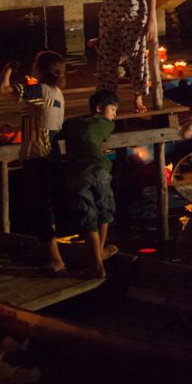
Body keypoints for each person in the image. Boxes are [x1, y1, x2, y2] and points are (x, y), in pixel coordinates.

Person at [0, 52, 66, 274]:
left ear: (42, 69)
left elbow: (3, 91)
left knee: (38, 208)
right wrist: (17, 129)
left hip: (37, 156)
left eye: (35, 64)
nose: (33, 67)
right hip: (50, 153)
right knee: (44, 206)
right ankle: (51, 254)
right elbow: (44, 120)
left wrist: (8, 69)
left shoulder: (39, 90)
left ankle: (56, 260)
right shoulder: (57, 93)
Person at [62, 89, 119, 278]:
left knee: (87, 214)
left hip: (76, 173)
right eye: (112, 110)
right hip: (98, 169)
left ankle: (97, 258)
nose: (114, 115)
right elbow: (102, 133)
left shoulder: (72, 123)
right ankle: (98, 263)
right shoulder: (105, 124)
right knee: (104, 210)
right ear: (99, 109)